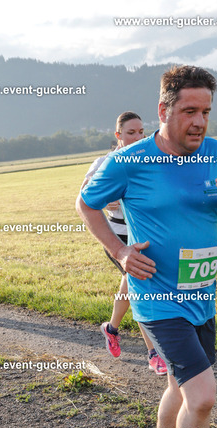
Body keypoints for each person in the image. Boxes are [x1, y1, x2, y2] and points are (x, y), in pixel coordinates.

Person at [76, 65, 217, 428]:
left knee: (178, 386)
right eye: (189, 111)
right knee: (203, 396)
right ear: (164, 109)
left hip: (202, 296)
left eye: (206, 112)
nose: (199, 122)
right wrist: (119, 252)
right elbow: (86, 204)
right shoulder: (130, 161)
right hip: (156, 299)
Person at [81, 111, 167, 376]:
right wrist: (105, 199)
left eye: (141, 132)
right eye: (131, 133)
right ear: (118, 135)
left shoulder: (149, 160)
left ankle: (111, 328)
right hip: (117, 239)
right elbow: (85, 195)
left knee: (134, 285)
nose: (138, 137)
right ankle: (154, 354)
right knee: (140, 286)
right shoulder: (104, 163)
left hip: (144, 237)